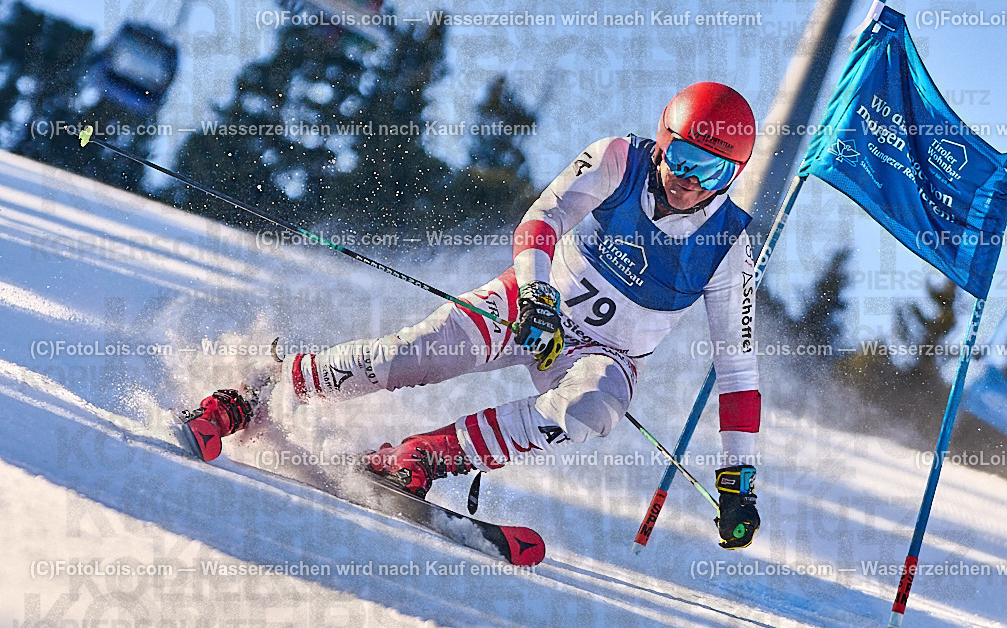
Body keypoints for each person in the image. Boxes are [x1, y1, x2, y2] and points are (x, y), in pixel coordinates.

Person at [182, 82, 763, 549]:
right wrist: (538, 295)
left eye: (712, 172)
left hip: (603, 354)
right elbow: (542, 220)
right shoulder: (619, 159)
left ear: (732, 178)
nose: (690, 181)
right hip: (533, 303)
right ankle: (259, 390)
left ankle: (417, 459)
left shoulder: (728, 245)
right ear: (663, 140)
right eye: (683, 158)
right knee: (414, 355)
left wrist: (739, 483)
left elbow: (737, 374)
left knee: (593, 406)